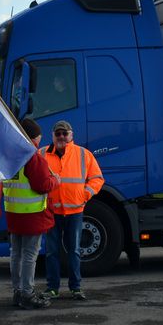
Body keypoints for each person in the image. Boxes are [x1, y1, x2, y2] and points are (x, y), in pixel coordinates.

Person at [42, 120, 104, 301]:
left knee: (74, 250)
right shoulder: (41, 154)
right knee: (52, 251)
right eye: (58, 133)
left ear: (71, 135)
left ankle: (75, 288)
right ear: (52, 136)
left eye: (64, 133)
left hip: (75, 211)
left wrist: (85, 195)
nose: (61, 137)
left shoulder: (84, 154)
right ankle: (52, 288)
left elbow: (97, 179)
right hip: (51, 211)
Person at [5, 118, 59, 309]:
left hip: (14, 213)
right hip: (31, 214)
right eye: (37, 137)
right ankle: (27, 294)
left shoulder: (10, 156)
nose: (39, 141)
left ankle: (17, 292)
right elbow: (42, 185)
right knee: (29, 255)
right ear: (32, 138)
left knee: (16, 254)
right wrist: (55, 181)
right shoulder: (33, 157)